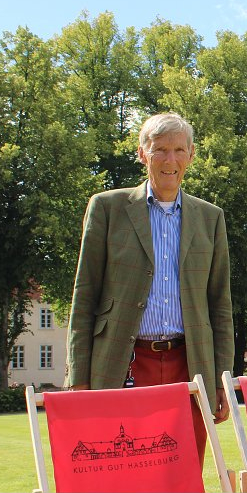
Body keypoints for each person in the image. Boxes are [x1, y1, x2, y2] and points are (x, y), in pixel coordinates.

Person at [64, 112, 235, 462]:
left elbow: (220, 305)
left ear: (191, 154)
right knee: (124, 472)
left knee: (183, 472)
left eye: (178, 150)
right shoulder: (108, 207)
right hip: (122, 364)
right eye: (159, 150)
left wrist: (222, 380)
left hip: (190, 364)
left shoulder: (210, 217)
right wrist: (78, 377)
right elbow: (85, 296)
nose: (169, 160)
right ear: (143, 153)